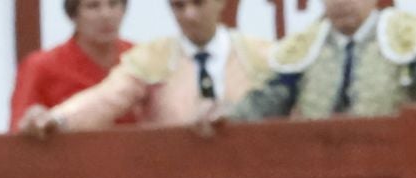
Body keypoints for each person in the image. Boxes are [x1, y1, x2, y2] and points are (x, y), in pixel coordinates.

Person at [22, 0, 268, 134]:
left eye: (198, 3)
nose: (189, 15)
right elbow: (105, 99)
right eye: (179, 6)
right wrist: (56, 119)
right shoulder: (151, 58)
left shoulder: (262, 56)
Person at [228, 0, 416, 122]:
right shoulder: (304, 47)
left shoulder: (407, 34)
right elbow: (262, 104)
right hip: (320, 173)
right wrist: (223, 116)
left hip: (393, 165)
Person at [10, 0, 133, 131]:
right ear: (73, 15)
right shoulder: (41, 65)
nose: (106, 15)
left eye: (113, 4)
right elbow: (18, 134)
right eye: (93, 6)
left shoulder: (141, 61)